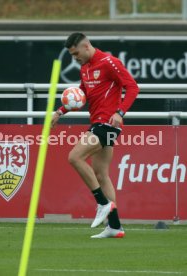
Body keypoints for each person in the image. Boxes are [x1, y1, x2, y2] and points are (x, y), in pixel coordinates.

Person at [51, 33, 139, 238]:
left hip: (107, 123)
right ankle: (115, 227)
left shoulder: (110, 62)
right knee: (101, 174)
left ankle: (102, 204)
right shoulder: (85, 68)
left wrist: (120, 112)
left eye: (76, 54)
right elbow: (81, 96)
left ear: (86, 46)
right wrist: (60, 112)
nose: (75, 59)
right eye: (72, 56)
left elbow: (133, 87)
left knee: (75, 156)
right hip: (98, 123)